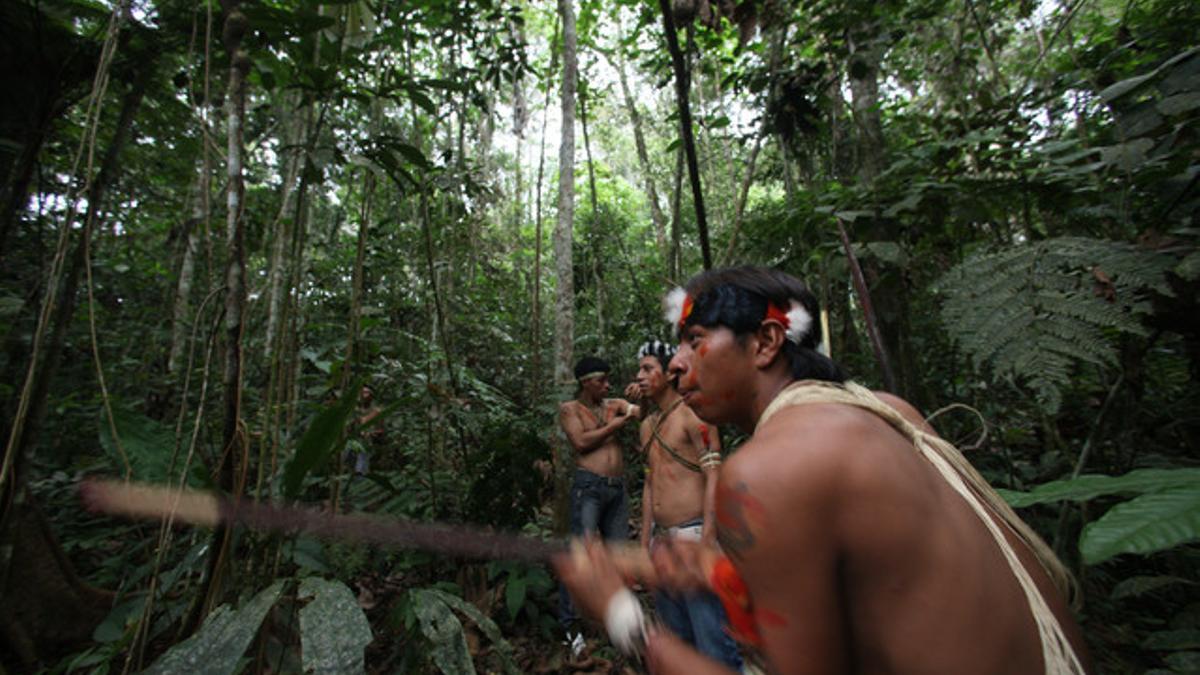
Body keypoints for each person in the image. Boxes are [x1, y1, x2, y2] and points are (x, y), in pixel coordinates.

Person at [555, 266, 1091, 674]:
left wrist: (622, 617)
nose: (676, 363)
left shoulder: (768, 469)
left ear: (766, 342)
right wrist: (717, 571)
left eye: (695, 342)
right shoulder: (888, 410)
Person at [635, 339, 742, 669]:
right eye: (639, 369)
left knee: (712, 640)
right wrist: (644, 547)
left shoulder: (695, 415)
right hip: (663, 543)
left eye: (647, 369)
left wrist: (708, 541)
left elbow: (714, 475)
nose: (639, 376)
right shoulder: (647, 426)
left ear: (668, 374)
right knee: (677, 639)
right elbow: (651, 485)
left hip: (695, 538)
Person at [557, 355, 641, 655]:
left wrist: (637, 396)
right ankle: (570, 627)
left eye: (609, 380)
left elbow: (637, 410)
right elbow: (580, 443)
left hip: (616, 490)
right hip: (589, 487)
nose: (607, 385)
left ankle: (618, 624)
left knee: (617, 555)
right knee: (582, 552)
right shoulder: (570, 410)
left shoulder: (612, 404)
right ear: (585, 383)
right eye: (601, 380)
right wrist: (618, 423)